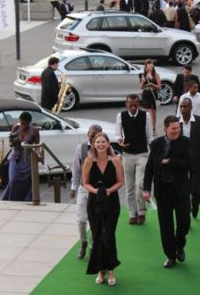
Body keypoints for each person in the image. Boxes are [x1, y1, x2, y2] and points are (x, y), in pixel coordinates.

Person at [143, 115, 191, 268]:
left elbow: (188, 163)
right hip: (162, 191)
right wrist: (146, 189)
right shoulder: (156, 144)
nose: (176, 131)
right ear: (165, 129)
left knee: (184, 222)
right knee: (165, 226)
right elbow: (150, 167)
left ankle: (179, 244)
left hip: (181, 190)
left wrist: (169, 162)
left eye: (178, 128)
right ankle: (170, 255)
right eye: (173, 128)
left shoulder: (186, 143)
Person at [83, 133, 123, 286]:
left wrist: (108, 190)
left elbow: (120, 182)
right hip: (94, 203)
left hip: (112, 202)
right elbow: (85, 183)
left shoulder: (116, 160)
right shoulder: (88, 161)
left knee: (109, 235)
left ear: (108, 144)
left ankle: (111, 268)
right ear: (93, 144)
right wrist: (97, 192)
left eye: (103, 142)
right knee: (98, 235)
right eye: (97, 142)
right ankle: (100, 270)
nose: (100, 144)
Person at [115, 94, 153, 225]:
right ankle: (132, 213)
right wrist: (120, 142)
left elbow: (149, 136)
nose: (133, 108)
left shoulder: (145, 116)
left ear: (139, 105)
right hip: (127, 155)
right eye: (130, 105)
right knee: (129, 187)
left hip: (142, 154)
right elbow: (118, 134)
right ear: (126, 105)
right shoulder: (121, 116)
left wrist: (153, 150)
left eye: (135, 105)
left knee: (139, 185)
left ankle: (141, 212)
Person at [70, 124, 103, 259]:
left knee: (95, 221)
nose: (92, 136)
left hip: (97, 191)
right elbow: (76, 168)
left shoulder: (105, 148)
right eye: (90, 133)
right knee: (81, 220)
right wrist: (73, 187)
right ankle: (83, 241)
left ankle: (93, 246)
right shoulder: (81, 148)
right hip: (84, 189)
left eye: (95, 134)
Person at [2, 112, 40, 202]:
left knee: (28, 181)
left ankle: (27, 199)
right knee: (13, 179)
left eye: (25, 124)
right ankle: (12, 199)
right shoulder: (16, 127)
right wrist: (14, 141)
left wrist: (38, 154)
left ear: (29, 122)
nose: (23, 125)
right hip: (16, 157)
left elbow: (37, 146)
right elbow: (10, 143)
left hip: (27, 158)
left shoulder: (34, 131)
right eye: (21, 123)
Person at [140, 59, 161, 135]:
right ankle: (145, 129)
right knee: (144, 113)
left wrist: (152, 85)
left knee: (153, 113)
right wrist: (142, 81)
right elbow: (141, 87)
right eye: (148, 65)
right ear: (146, 66)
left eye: (151, 64)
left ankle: (153, 129)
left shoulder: (156, 75)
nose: (150, 66)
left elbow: (159, 87)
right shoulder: (143, 75)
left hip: (153, 94)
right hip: (145, 93)